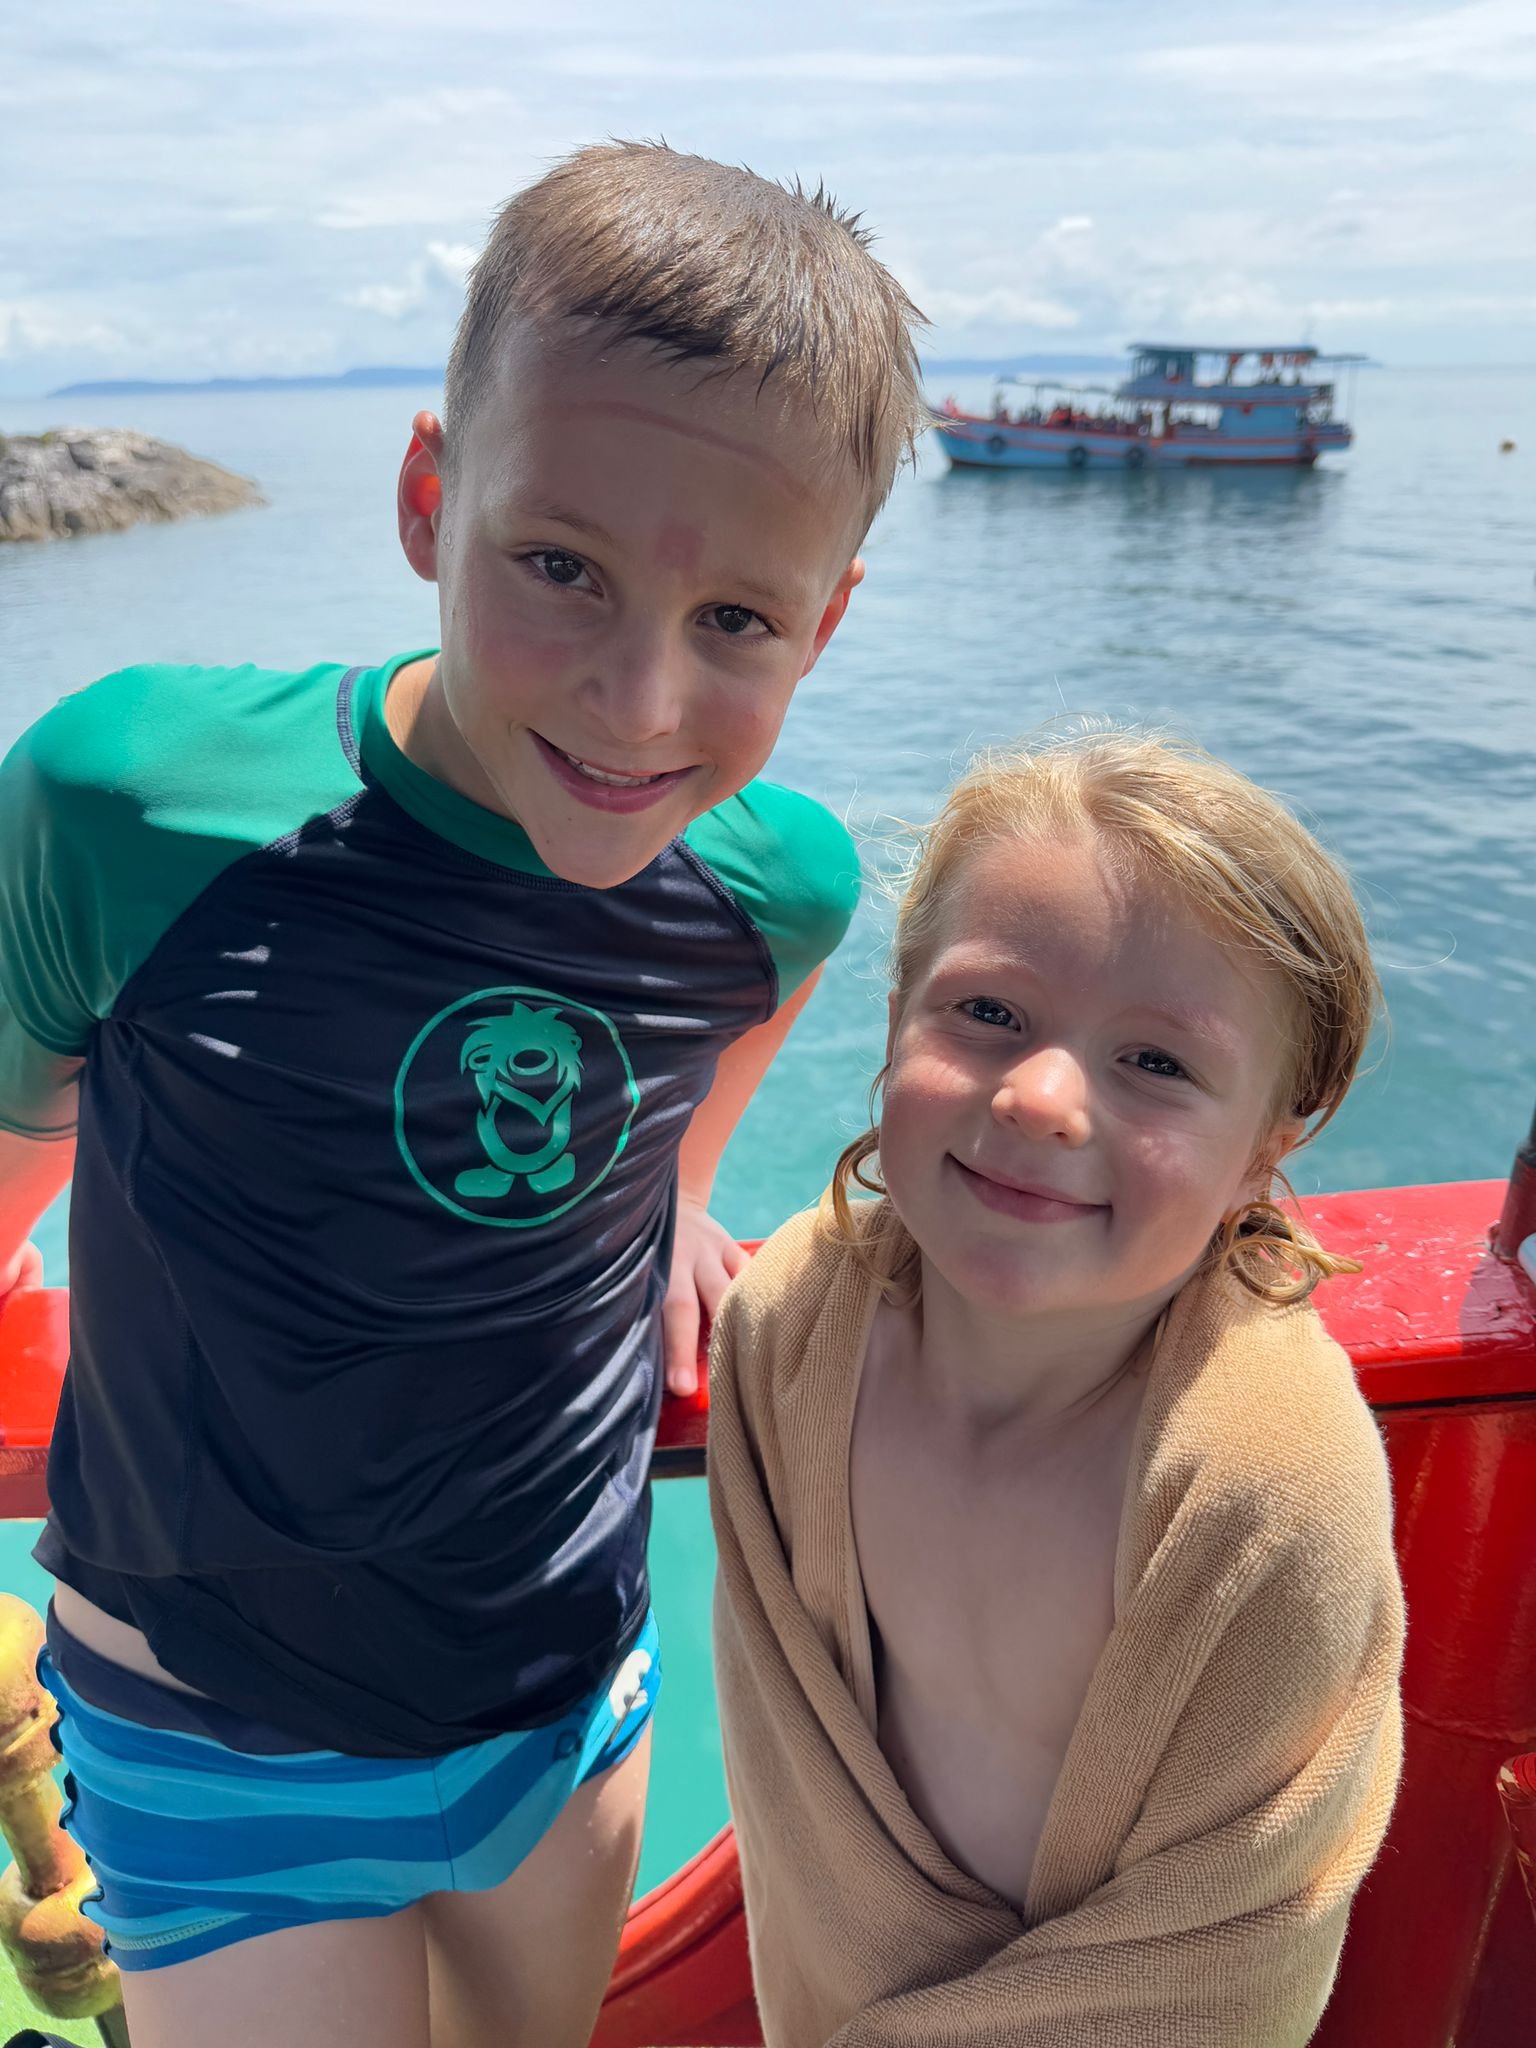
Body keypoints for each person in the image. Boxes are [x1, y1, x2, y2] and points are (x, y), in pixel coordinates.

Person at [0, 141, 928, 2048]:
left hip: (562, 1702)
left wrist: (679, 1193)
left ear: (826, 621)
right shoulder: (131, 802)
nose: (638, 702)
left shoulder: (774, 886)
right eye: (560, 568)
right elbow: (18, 1131)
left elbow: (758, 998)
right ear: (432, 500)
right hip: (208, 1709)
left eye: (736, 623)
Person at [709, 732, 1405, 2047]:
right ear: (897, 1016)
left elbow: (1229, 1953)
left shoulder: (1263, 1489)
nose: (1038, 1097)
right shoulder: (791, 1329)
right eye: (988, 1014)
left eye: (1158, 1063)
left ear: (1265, 1151)